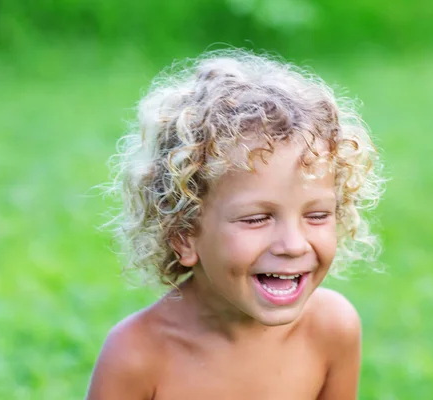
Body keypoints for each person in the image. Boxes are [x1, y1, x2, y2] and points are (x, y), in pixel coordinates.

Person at [86, 49, 383, 399]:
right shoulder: (137, 356)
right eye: (257, 218)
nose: (294, 244)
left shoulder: (332, 328)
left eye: (317, 215)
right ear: (183, 235)